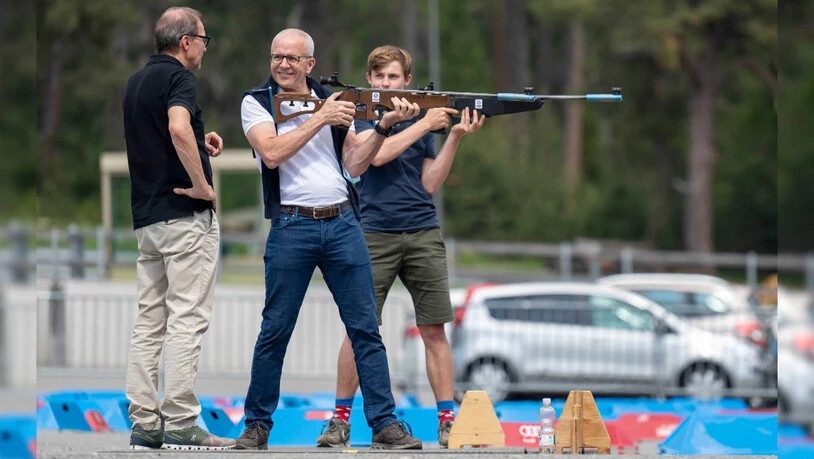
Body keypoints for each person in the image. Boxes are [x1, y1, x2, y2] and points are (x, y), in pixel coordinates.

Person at [234, 29, 423, 450]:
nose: (283, 64)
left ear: (310, 65)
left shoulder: (336, 101)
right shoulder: (257, 101)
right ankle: (257, 425)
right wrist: (320, 118)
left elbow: (355, 163)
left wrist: (383, 128)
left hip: (342, 222)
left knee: (365, 329)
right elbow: (271, 153)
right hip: (291, 225)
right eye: (277, 56)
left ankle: (385, 424)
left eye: (292, 58)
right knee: (275, 330)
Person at [316, 45, 485, 449]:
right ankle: (340, 420)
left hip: (422, 229)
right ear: (369, 80)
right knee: (360, 330)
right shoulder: (361, 115)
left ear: (407, 80)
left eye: (393, 77)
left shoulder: (423, 118)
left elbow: (429, 182)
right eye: (379, 77)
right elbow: (376, 157)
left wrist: (454, 137)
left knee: (434, 329)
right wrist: (425, 124)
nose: (386, 84)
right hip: (372, 232)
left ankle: (447, 421)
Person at [121, 6, 235, 451]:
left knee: (150, 321)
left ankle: (145, 422)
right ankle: (182, 421)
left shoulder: (136, 81)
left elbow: (160, 133)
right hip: (183, 218)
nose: (205, 48)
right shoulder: (179, 78)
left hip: (147, 220)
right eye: (203, 40)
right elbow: (175, 127)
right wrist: (203, 185)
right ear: (186, 41)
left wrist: (200, 140)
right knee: (187, 319)